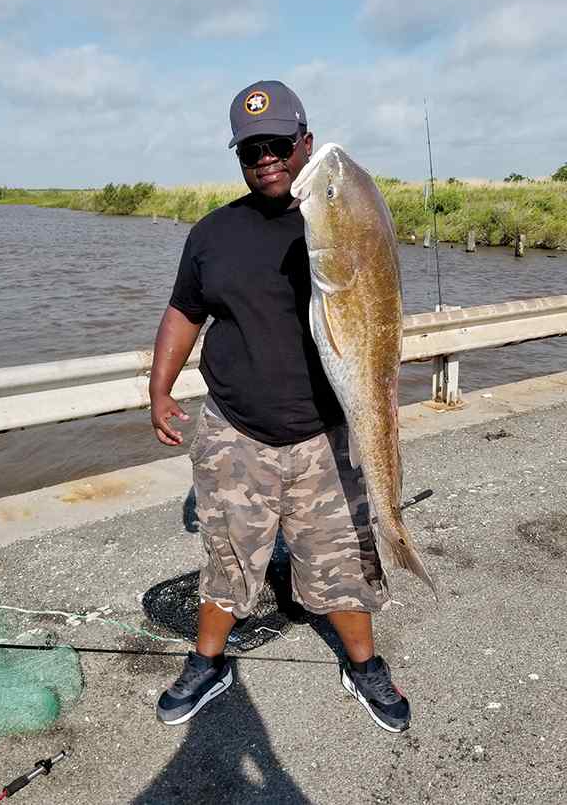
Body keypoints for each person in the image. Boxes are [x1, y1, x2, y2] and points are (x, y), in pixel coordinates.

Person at [149, 80, 410, 733]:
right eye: (250, 148)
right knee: (228, 556)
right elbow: (185, 309)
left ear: (305, 144)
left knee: (343, 560)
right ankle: (209, 663)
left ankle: (364, 665)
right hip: (234, 435)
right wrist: (159, 387)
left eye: (279, 144)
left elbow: (372, 300)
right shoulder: (213, 233)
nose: (266, 157)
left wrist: (349, 209)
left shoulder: (341, 221)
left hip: (325, 438)